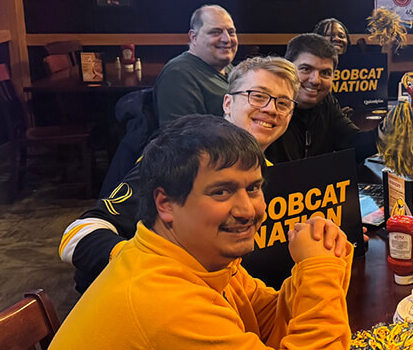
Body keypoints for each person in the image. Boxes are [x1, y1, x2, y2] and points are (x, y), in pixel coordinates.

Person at [25, 116, 353, 350]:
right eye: (222, 192)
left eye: (254, 187)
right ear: (165, 203)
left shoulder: (190, 258)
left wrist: (318, 266)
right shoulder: (163, 302)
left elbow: (266, 321)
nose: (248, 209)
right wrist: (320, 270)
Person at [60, 57, 299, 293]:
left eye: (283, 103)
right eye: (257, 96)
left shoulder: (272, 170)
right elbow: (81, 232)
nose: (270, 109)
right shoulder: (185, 153)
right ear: (227, 103)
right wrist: (158, 271)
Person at [266, 33, 377, 163]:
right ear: (287, 69)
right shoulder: (266, 106)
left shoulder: (327, 102)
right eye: (306, 69)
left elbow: (354, 146)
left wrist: (387, 130)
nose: (315, 80)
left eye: (325, 73)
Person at [154, 5, 238, 125]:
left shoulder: (230, 69)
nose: (227, 39)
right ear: (194, 37)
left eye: (231, 32)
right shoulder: (178, 74)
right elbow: (182, 137)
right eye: (215, 32)